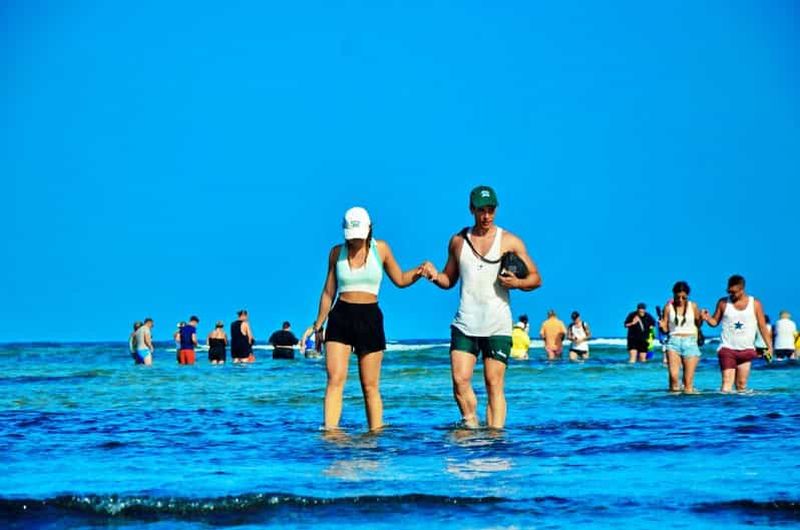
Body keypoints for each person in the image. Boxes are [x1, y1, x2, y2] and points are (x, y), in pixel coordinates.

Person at [422, 185, 542, 429]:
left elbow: (536, 278)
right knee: (459, 380)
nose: (486, 216)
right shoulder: (458, 241)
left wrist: (517, 283)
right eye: (481, 210)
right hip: (465, 323)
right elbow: (449, 279)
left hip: (497, 324)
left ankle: (495, 437)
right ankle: (472, 427)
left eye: (490, 210)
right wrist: (434, 276)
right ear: (471, 210)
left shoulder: (509, 241)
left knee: (493, 383)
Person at [309, 206, 425, 432]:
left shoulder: (381, 249)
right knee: (335, 380)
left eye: (359, 237)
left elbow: (400, 279)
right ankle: (330, 434)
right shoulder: (335, 253)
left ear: (369, 230)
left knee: (370, 386)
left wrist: (419, 272)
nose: (355, 242)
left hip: (370, 317)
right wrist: (318, 324)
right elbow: (328, 293)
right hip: (340, 316)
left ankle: (375, 436)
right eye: (351, 238)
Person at [701, 274, 772, 392]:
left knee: (741, 385)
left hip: (747, 349)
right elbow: (714, 322)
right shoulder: (723, 303)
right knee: (726, 383)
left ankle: (740, 410)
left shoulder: (755, 303)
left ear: (742, 289)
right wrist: (707, 318)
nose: (731, 295)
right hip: (727, 348)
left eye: (734, 292)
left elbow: (762, 327)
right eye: (729, 292)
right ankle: (725, 408)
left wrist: (769, 347)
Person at [659, 281, 703, 393]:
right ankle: (673, 404)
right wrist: (662, 325)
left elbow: (698, 324)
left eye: (684, 297)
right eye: (678, 297)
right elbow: (665, 329)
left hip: (690, 342)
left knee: (688, 382)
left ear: (687, 295)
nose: (680, 300)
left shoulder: (693, 306)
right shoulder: (668, 307)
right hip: (673, 342)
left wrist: (702, 317)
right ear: (673, 295)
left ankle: (686, 407)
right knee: (674, 377)